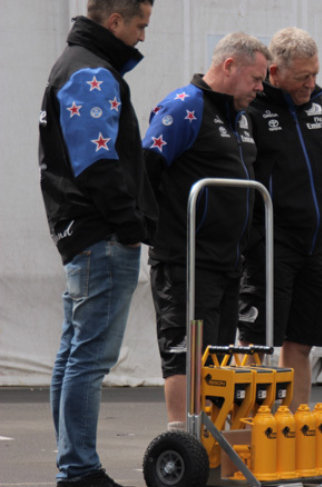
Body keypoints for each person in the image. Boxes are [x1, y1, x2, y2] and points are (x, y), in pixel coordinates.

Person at [38, 1, 157, 486]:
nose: (143, 37)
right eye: (140, 25)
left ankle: (73, 462)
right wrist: (130, 225)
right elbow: (96, 161)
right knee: (88, 358)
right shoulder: (92, 72)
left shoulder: (73, 64)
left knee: (73, 354)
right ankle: (80, 468)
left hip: (81, 231)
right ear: (114, 22)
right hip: (100, 234)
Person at [236, 26, 322, 475]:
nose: (311, 84)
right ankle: (245, 444)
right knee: (254, 344)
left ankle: (296, 443)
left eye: (314, 74)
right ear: (274, 71)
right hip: (272, 245)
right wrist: (253, 239)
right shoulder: (253, 107)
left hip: (319, 244)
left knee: (300, 343)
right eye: (302, 76)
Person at [142, 32, 270, 430]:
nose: (261, 87)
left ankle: (210, 442)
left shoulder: (241, 117)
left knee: (214, 357)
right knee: (184, 354)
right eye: (256, 78)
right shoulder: (184, 107)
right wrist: (155, 234)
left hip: (228, 263)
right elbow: (146, 169)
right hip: (185, 260)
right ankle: (181, 441)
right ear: (229, 66)